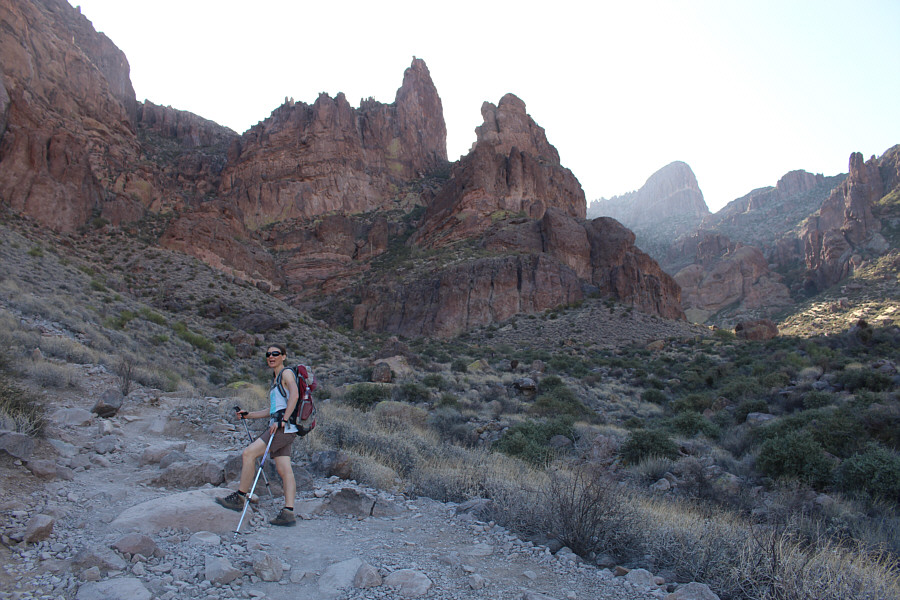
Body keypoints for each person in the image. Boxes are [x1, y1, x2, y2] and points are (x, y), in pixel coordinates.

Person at [216, 344, 299, 526]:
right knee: (284, 469)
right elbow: (273, 409)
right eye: (268, 354)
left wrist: (283, 420)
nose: (271, 356)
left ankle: (240, 498)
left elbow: (295, 394)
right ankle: (288, 512)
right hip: (284, 428)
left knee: (249, 453)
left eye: (275, 353)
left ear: (284, 356)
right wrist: (250, 414)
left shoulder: (286, 374)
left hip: (281, 428)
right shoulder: (276, 379)